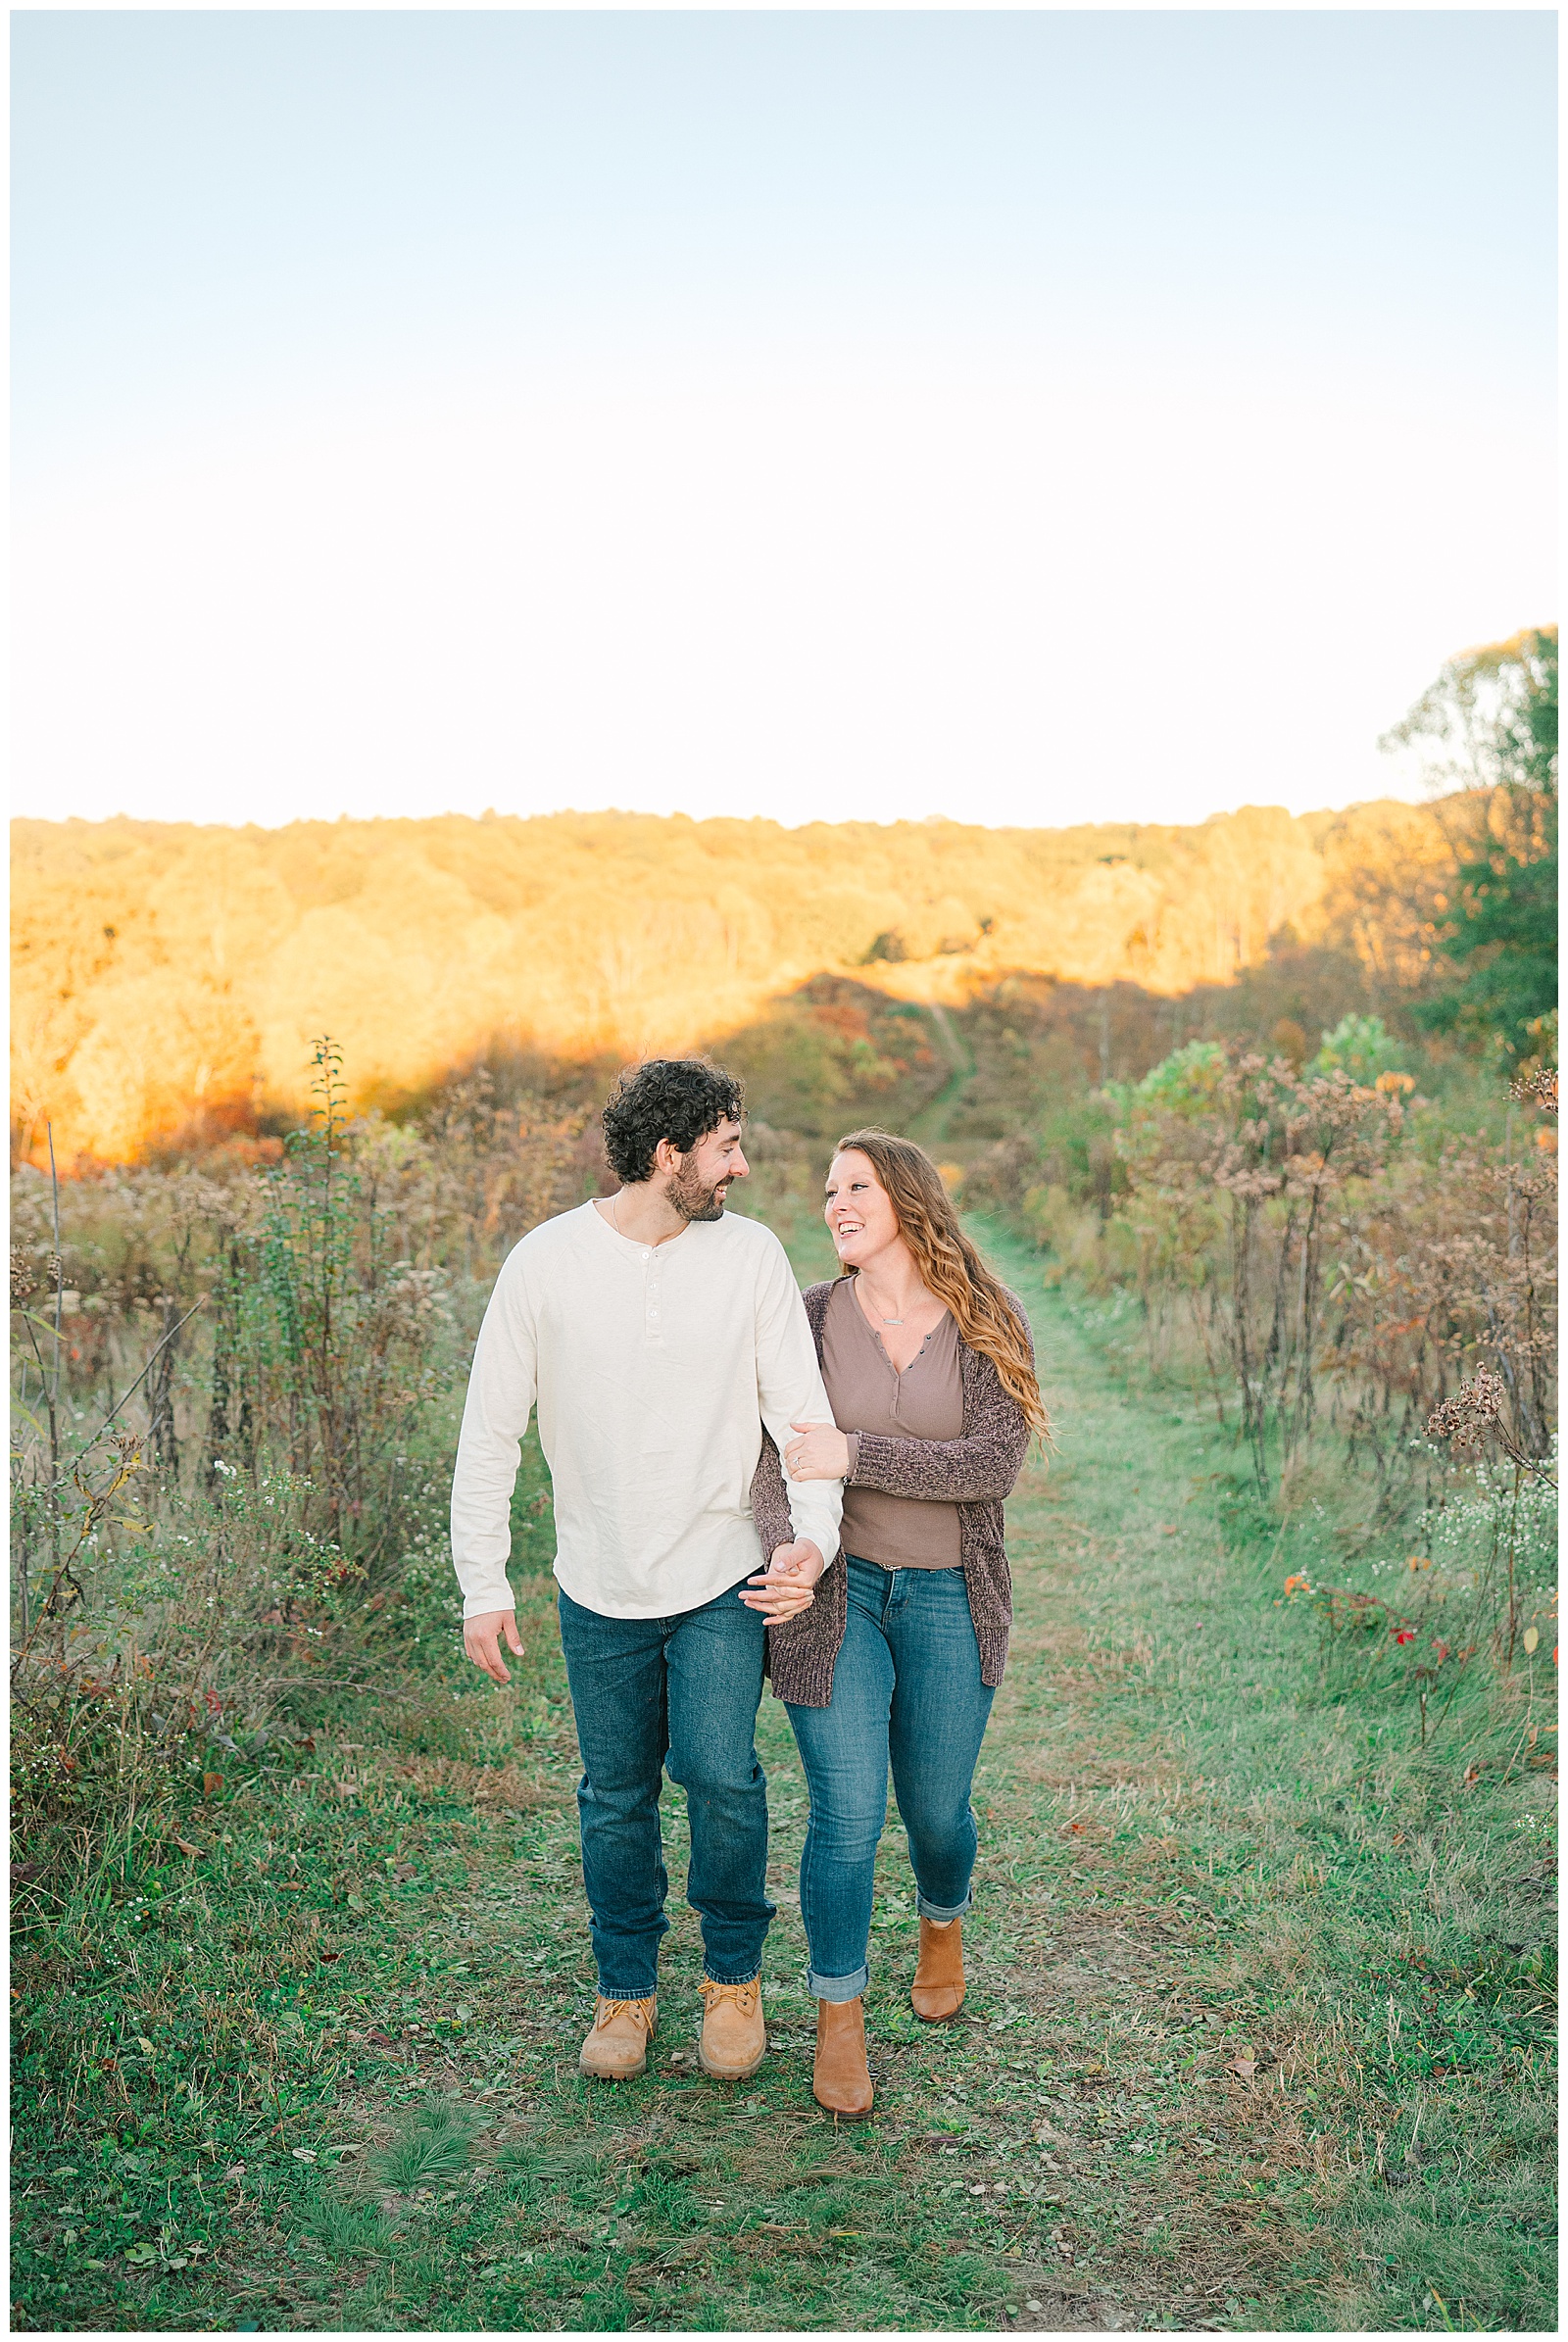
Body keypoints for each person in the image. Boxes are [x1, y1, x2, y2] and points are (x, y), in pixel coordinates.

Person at [451, 1059, 842, 2084]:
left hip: (720, 1574)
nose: (741, 1166)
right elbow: (490, 1432)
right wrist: (481, 1583)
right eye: (725, 1146)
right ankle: (624, 1989)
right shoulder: (543, 1263)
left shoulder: (748, 1255)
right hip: (598, 1583)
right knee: (614, 1794)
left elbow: (802, 1418)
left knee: (721, 1776)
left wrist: (813, 1538)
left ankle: (731, 1979)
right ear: (667, 1154)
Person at [751, 1128, 1048, 2117]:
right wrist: (787, 1547)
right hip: (837, 1600)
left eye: (857, 1185)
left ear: (907, 1198)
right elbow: (776, 1456)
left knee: (935, 1809)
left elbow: (987, 1467)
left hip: (951, 1597)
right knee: (843, 1813)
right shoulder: (804, 1318)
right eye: (828, 1188)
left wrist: (853, 1450)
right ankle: (840, 2018)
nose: (835, 1201)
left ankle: (941, 1916)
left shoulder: (981, 1317)